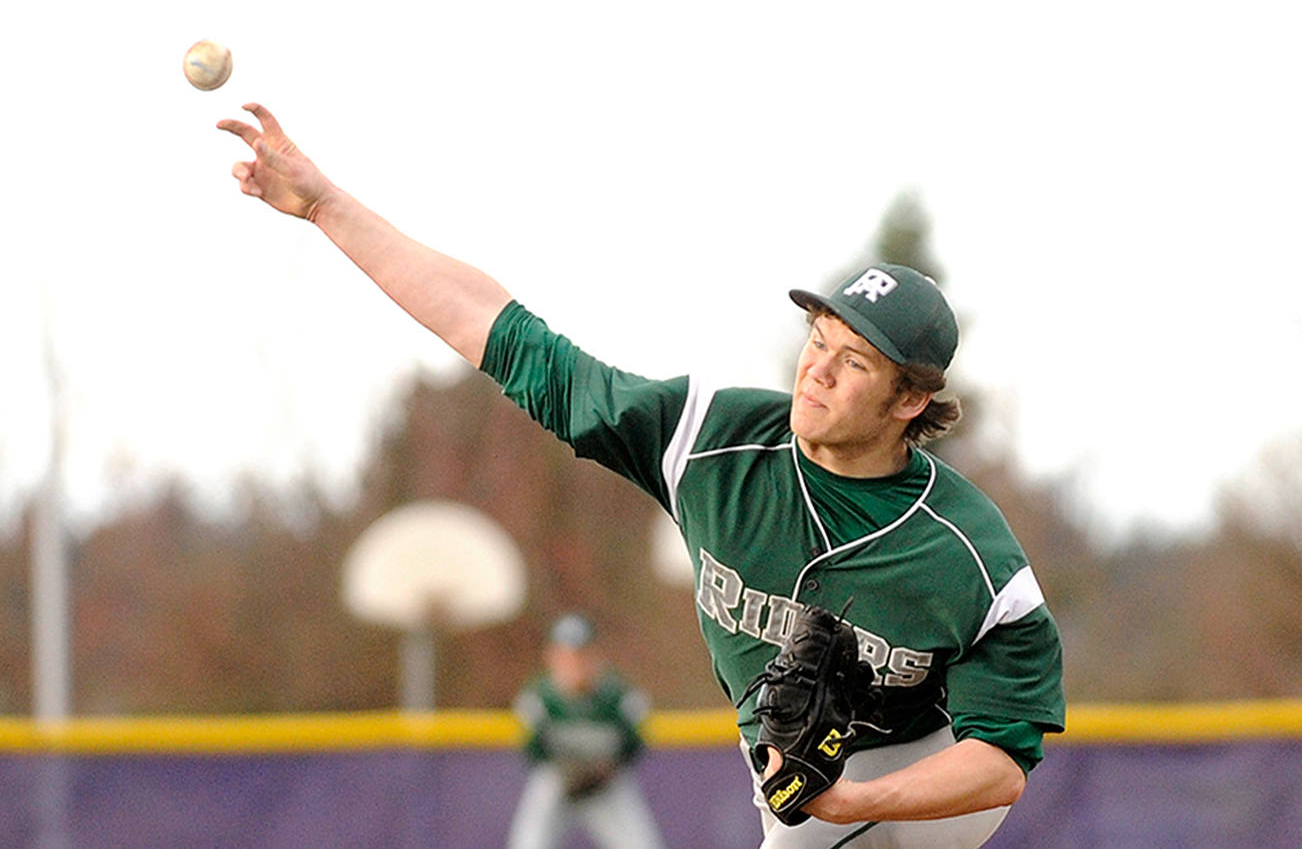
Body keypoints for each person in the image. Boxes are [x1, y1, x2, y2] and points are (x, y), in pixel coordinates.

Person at [218, 103, 1066, 848]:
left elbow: (1001, 766)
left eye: (853, 362)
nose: (818, 371)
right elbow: (504, 333)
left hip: (924, 771)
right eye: (818, 341)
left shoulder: (969, 555)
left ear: (911, 399)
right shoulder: (709, 438)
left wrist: (858, 801)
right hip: (804, 787)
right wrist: (328, 207)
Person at [506, 613, 666, 849]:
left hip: (606, 786)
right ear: (552, 657)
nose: (575, 663)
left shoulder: (618, 697)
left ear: (596, 655)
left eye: (582, 654)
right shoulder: (539, 699)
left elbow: (634, 746)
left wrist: (603, 771)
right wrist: (569, 771)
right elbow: (532, 751)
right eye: (567, 655)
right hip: (558, 783)